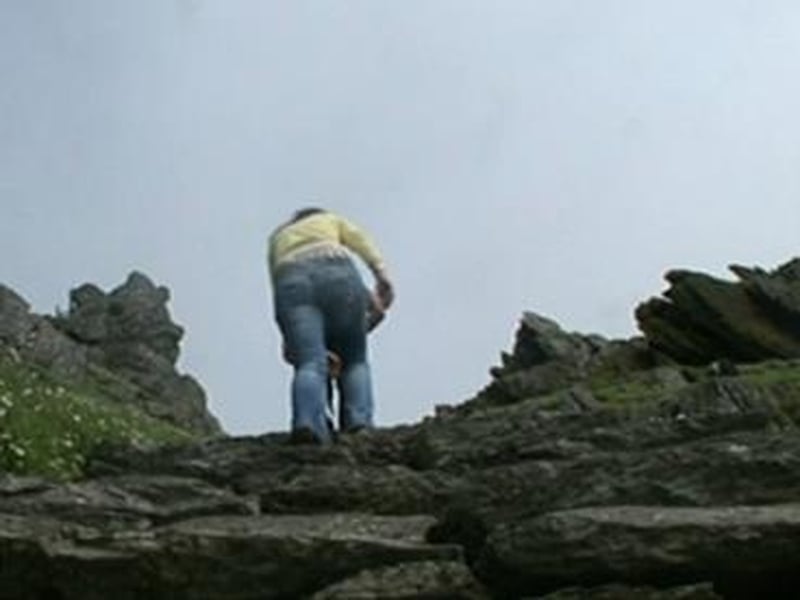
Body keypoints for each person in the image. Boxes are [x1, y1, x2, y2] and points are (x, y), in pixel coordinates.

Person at [268, 208, 394, 443]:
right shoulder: (328, 220)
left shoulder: (277, 238)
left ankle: (307, 424)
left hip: (291, 284)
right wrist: (380, 274)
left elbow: (277, 285)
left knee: (310, 363)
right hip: (339, 276)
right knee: (354, 360)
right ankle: (359, 424)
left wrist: (289, 337)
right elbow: (359, 240)